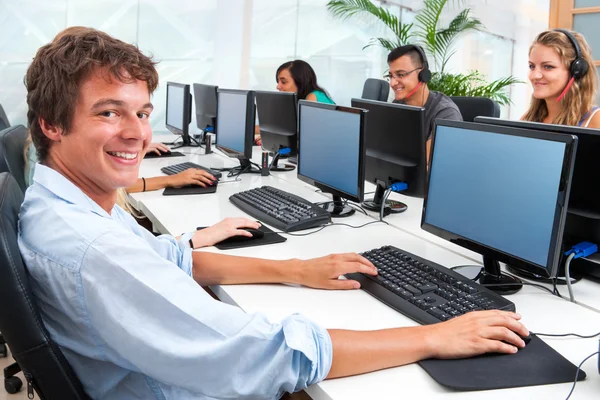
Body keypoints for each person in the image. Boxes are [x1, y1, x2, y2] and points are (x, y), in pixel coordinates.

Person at [18, 27, 529, 399]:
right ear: (52, 124)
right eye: (109, 112)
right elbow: (264, 355)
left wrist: (295, 270)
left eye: (142, 112)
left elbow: (170, 258)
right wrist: (432, 336)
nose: (136, 132)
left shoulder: (71, 210)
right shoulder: (94, 248)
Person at [386, 45, 462, 160]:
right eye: (391, 76)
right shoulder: (398, 104)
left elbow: (425, 166)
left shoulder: (446, 113)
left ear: (423, 75)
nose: (392, 83)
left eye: (400, 75)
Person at [523, 29, 600, 128]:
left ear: (576, 71)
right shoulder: (527, 119)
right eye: (532, 66)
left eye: (548, 67)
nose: (534, 76)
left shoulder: (595, 120)